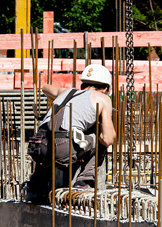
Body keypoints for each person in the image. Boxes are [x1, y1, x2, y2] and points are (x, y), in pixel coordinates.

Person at [26, 64, 116, 203]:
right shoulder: (103, 98)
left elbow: (45, 87)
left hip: (37, 146)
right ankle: (84, 181)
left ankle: (35, 188)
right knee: (98, 139)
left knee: (52, 141)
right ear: (105, 88)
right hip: (62, 148)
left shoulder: (66, 92)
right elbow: (107, 139)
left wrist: (57, 96)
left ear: (83, 85)